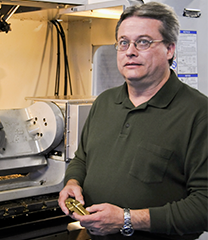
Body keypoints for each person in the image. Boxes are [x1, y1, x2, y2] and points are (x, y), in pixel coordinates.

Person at [58, 2, 208, 240]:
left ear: (170, 49)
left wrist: (126, 219)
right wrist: (72, 182)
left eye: (143, 42)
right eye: (123, 42)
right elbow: (83, 158)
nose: (130, 51)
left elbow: (204, 205)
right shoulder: (104, 102)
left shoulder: (198, 113)